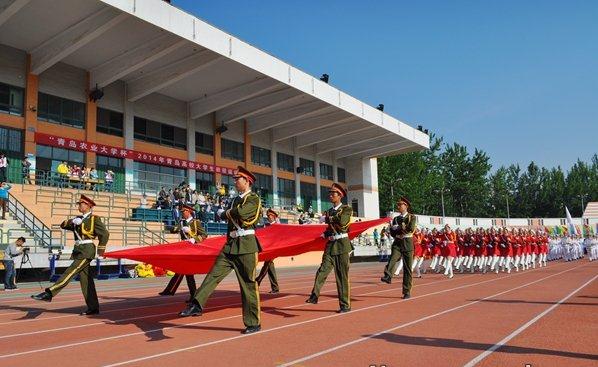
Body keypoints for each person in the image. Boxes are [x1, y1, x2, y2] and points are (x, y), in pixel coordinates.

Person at [179, 166, 263, 334]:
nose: (234, 181)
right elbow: (235, 213)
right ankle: (196, 304)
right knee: (213, 274)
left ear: (247, 181)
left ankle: (253, 322)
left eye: (237, 179)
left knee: (248, 284)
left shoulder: (253, 198)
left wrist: (225, 213)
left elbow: (244, 214)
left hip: (246, 244)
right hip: (231, 244)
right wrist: (230, 212)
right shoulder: (235, 200)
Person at [31, 194, 109, 315]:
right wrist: (73, 221)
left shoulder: (94, 219)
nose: (79, 206)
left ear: (88, 206)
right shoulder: (77, 218)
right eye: (79, 204)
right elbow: (63, 224)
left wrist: (101, 251)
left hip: (87, 250)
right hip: (79, 249)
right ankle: (93, 307)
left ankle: (50, 293)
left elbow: (105, 234)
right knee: (86, 281)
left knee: (71, 271)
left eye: (81, 204)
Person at [305, 183, 353, 313]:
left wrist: (326, 218)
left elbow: (342, 222)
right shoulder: (330, 211)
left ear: (340, 195)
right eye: (330, 193)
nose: (331, 195)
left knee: (341, 276)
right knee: (322, 270)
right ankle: (314, 295)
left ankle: (345, 305)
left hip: (342, 245)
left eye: (334, 193)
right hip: (331, 245)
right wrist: (324, 233)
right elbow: (330, 228)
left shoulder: (346, 209)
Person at [159, 204, 207, 301]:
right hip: (184, 249)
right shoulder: (181, 222)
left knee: (187, 273)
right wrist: (168, 227)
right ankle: (173, 291)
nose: (182, 213)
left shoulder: (195, 222)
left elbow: (204, 235)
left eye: (183, 212)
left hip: (192, 249)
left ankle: (191, 295)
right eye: (181, 212)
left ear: (189, 212)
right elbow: (175, 229)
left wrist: (195, 239)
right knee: (182, 270)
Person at [381, 196, 417, 299]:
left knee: (407, 268)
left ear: (406, 206)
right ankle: (388, 275)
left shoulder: (411, 217)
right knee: (393, 258)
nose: (398, 206)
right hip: (397, 241)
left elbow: (410, 228)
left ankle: (406, 291)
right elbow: (393, 233)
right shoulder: (396, 218)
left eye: (400, 204)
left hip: (407, 242)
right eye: (398, 204)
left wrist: (399, 228)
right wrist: (394, 229)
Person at [256, 208, 280, 294]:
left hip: (273, 249)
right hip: (267, 248)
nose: (269, 217)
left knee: (267, 264)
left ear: (274, 217)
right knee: (270, 266)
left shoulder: (277, 226)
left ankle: (258, 280)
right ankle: (275, 287)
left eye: (270, 215)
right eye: (268, 215)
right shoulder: (266, 225)